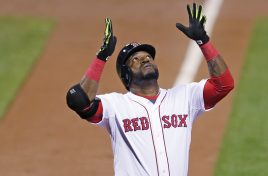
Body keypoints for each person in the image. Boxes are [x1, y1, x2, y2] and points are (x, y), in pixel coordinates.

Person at [66, 3, 234, 176]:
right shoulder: (115, 105)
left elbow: (224, 85)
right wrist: (101, 57)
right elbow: (80, 101)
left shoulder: (185, 98)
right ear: (126, 74)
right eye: (136, 60)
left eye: (148, 57)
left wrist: (203, 41)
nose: (145, 60)